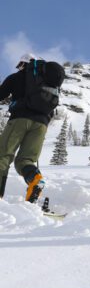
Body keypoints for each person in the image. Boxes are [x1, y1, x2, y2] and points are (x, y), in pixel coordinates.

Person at [0, 54, 63, 203]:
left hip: (19, 119)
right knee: (25, 160)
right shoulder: (48, 82)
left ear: (24, 64)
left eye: (19, 65)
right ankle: (35, 179)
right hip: (42, 124)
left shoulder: (16, 77)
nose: (18, 68)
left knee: (3, 156)